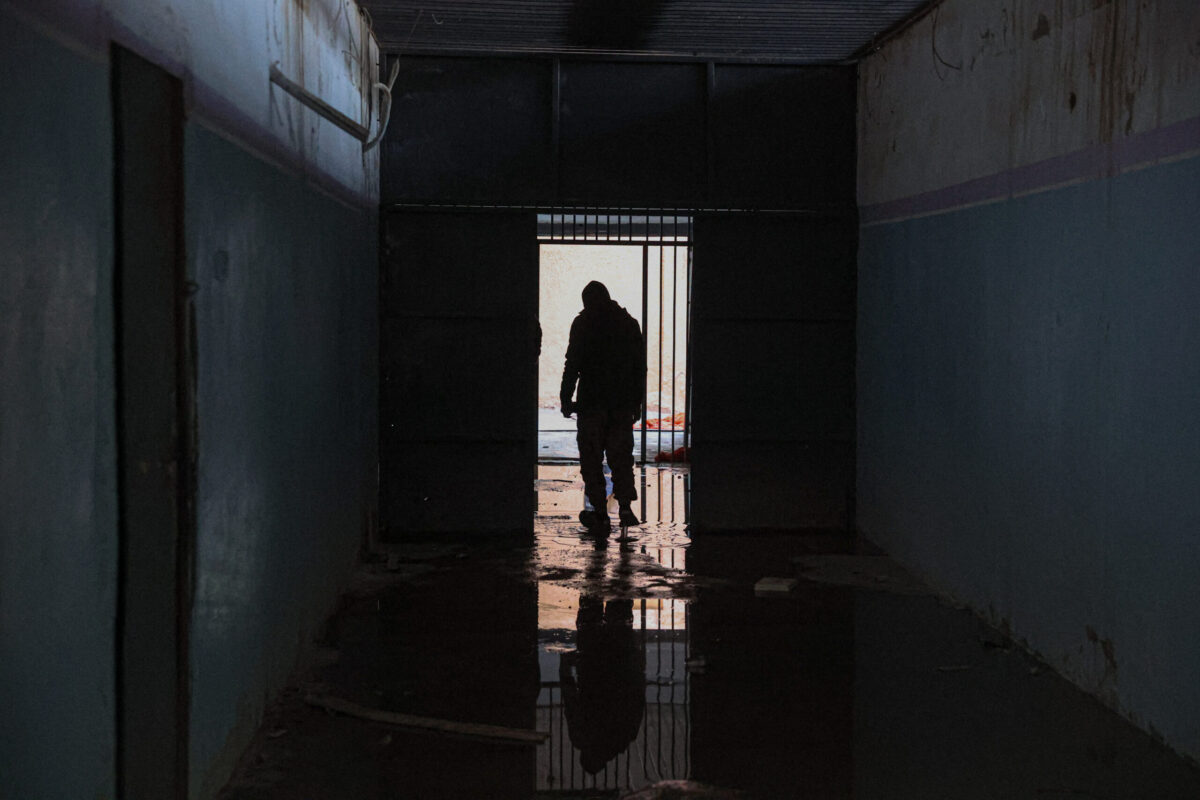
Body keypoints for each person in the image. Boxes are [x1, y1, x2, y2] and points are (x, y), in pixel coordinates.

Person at [560, 280, 644, 530]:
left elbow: (572, 364)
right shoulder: (628, 324)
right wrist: (636, 403)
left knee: (591, 458)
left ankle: (599, 512)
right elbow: (639, 369)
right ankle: (625, 508)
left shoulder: (583, 324)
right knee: (621, 458)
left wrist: (566, 398)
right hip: (620, 404)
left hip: (591, 403)